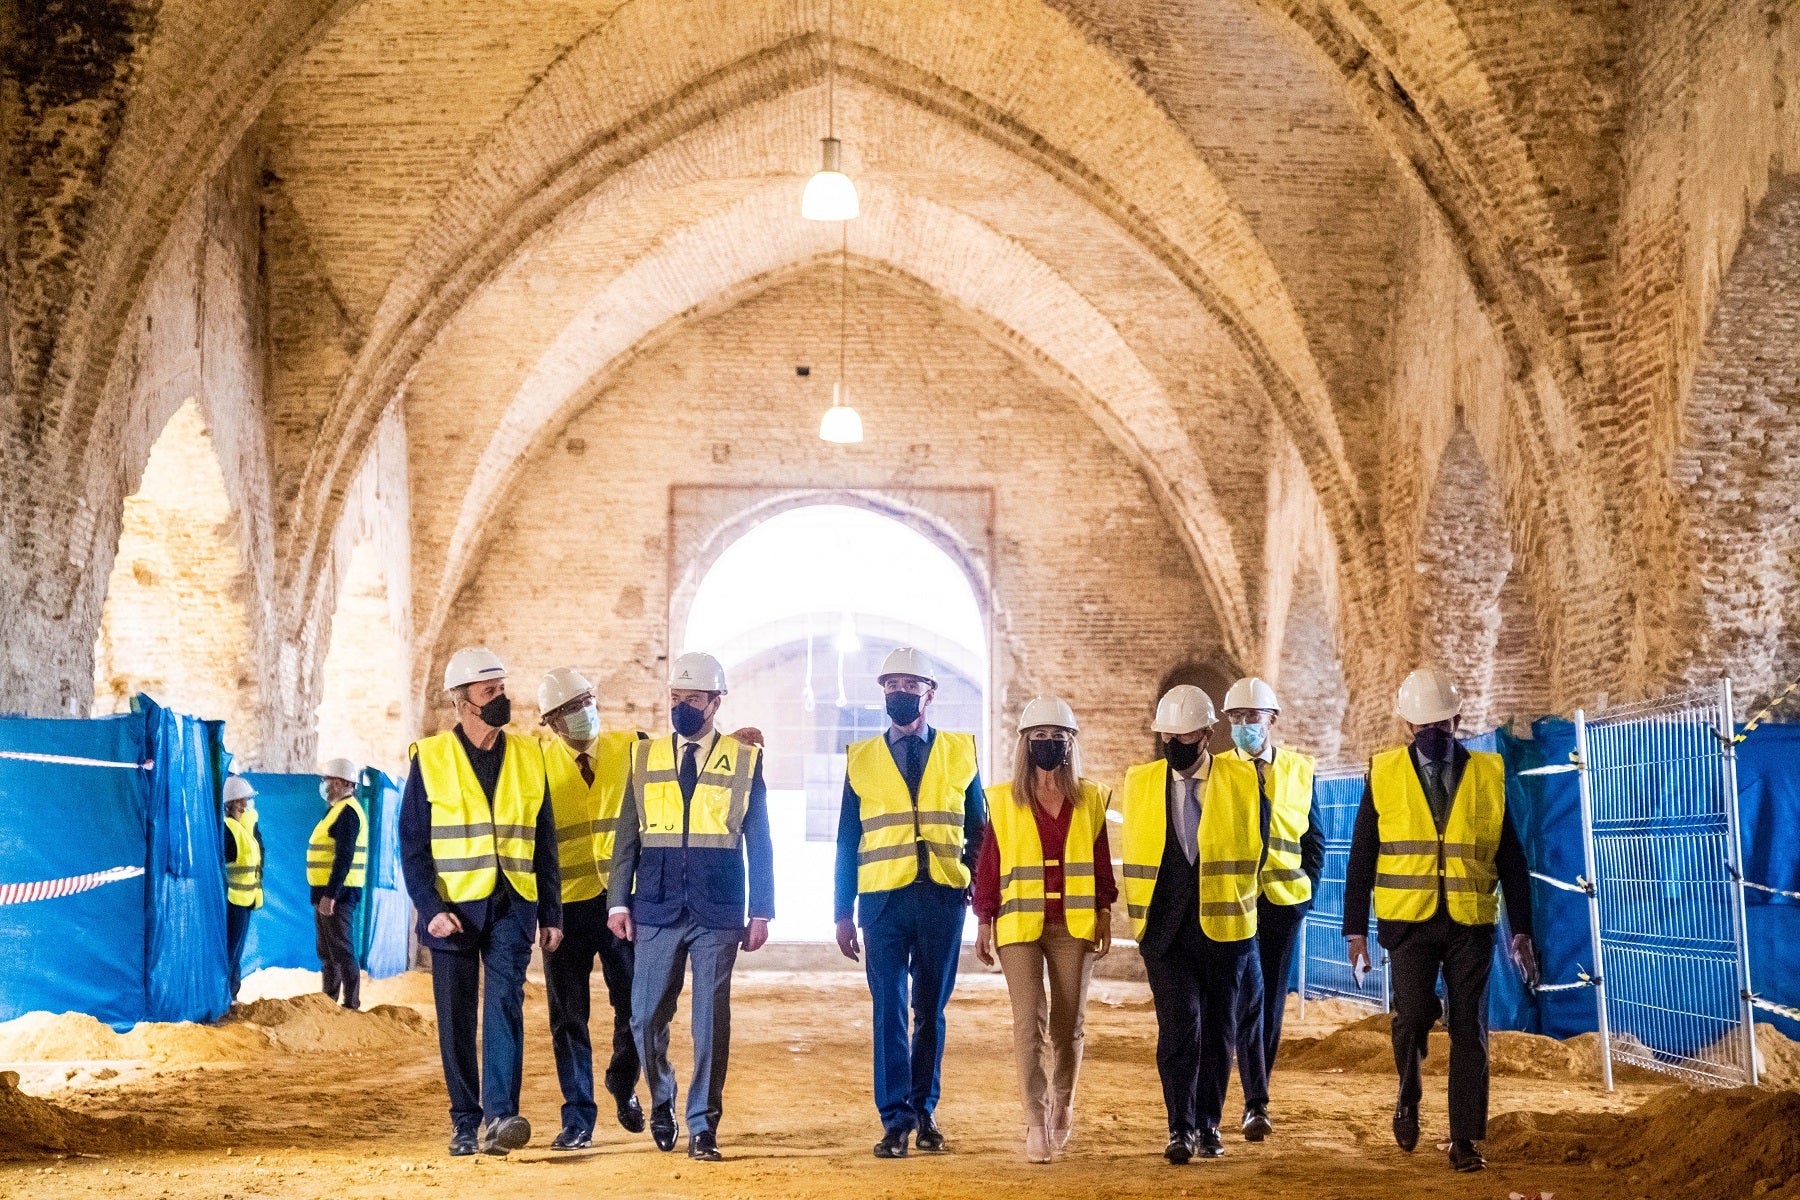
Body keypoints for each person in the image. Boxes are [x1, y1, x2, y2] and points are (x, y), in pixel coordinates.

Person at [1342, 667, 1539, 1174]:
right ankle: (1408, 1095)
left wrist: (1521, 932)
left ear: (1458, 719)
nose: (1432, 733)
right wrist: (1355, 930)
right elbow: (1363, 854)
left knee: (1470, 1029)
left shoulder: (1489, 774)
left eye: (1442, 724)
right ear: (1407, 725)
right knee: (1410, 1016)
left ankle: (1464, 1139)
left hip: (1469, 923)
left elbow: (1511, 858)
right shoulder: (1384, 773)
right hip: (1408, 925)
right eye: (1421, 725)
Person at [608, 651, 774, 1163]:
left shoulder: (745, 760)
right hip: (655, 905)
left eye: (694, 699)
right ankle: (663, 1098)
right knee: (643, 1018)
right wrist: (617, 901)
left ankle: (704, 1124)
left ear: (716, 702)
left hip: (718, 908)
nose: (682, 708)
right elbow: (626, 838)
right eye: (676, 698)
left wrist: (762, 909)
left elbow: (759, 838)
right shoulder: (645, 757)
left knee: (710, 1022)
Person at [400, 646, 563, 1158]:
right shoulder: (430, 757)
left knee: (505, 1008)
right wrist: (430, 910)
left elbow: (545, 841)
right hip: (452, 912)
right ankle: (464, 1120)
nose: (501, 699)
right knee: (456, 1018)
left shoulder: (529, 755)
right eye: (489, 692)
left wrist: (551, 913)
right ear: (461, 702)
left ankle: (500, 1117)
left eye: (501, 689)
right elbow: (412, 846)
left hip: (513, 905)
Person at [833, 646, 986, 1159]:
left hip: (942, 897)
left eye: (908, 685)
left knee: (930, 1011)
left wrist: (980, 891)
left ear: (930, 692)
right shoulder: (863, 758)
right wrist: (840, 911)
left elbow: (978, 832)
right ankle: (895, 1120)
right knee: (889, 1012)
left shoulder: (961, 752)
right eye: (890, 686)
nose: (898, 693)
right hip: (882, 903)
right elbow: (846, 839)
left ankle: (925, 1112)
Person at [1118, 684, 1263, 1163]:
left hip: (1226, 928)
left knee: (1219, 1029)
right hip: (1164, 930)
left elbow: (1256, 849)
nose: (1174, 744)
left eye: (1184, 735)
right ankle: (1179, 1127)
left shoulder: (1243, 780)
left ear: (1206, 733)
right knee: (1180, 1027)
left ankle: (1208, 1125)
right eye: (1167, 736)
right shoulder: (1139, 782)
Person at [973, 697, 1114, 1163]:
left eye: (1057, 738)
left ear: (1071, 744)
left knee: (1068, 1023)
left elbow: (1098, 862)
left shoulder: (1090, 798)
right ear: (1025, 745)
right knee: (1027, 1022)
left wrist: (1105, 915)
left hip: (1073, 924)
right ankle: (1035, 1120)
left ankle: (1063, 1103)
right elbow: (989, 866)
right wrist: (983, 922)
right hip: (1018, 925)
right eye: (1039, 739)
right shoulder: (1004, 799)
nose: (1048, 746)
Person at [536, 667, 646, 1150]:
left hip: (623, 903)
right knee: (568, 1016)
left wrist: (738, 739)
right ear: (551, 723)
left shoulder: (635, 746)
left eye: (586, 701)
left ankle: (623, 1081)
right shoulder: (536, 761)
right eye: (568, 710)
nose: (582, 713)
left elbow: (694, 757)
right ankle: (578, 1116)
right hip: (563, 910)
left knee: (636, 1009)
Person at [1220, 677, 1324, 1140]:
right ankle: (1255, 1101)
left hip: (1283, 905)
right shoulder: (1216, 770)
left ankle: (1254, 1096)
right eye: (1235, 717)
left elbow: (1313, 839)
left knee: (1271, 1005)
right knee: (1245, 999)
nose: (1243, 725)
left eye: (1252, 717)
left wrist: (1307, 895)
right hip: (1233, 903)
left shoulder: (1301, 771)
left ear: (1273, 720)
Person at [309, 757, 368, 1011]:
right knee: (327, 951)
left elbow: (344, 856)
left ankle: (350, 1004)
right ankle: (328, 1001)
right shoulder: (335, 810)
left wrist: (331, 895)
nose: (325, 786)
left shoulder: (348, 813)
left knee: (342, 949)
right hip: (325, 893)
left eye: (329, 781)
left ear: (343, 783)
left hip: (338, 895)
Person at [222, 775, 264, 1003]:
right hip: (233, 900)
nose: (246, 804)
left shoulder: (246, 827)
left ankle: (232, 995)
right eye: (242, 800)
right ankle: (225, 996)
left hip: (247, 898)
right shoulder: (228, 828)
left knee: (236, 953)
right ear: (232, 803)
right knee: (230, 952)